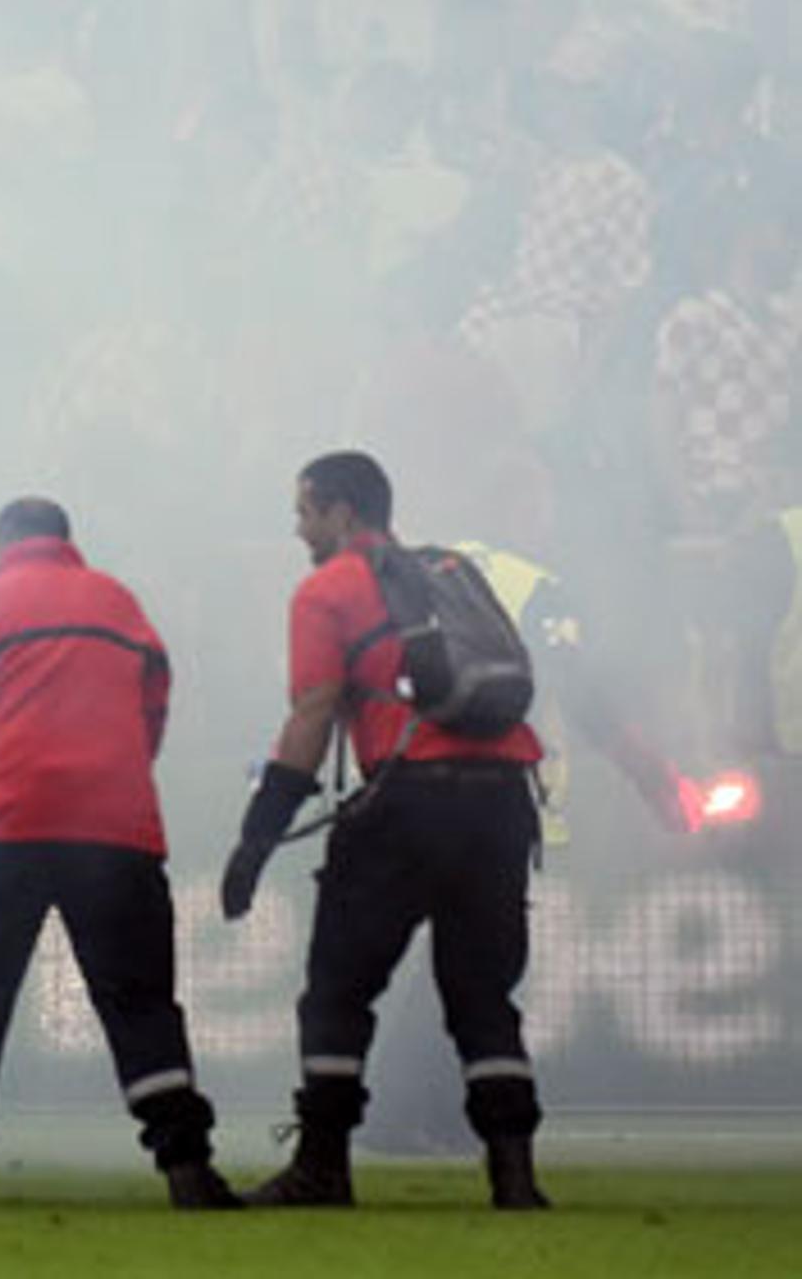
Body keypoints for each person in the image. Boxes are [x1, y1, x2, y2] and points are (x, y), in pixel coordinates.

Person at [219, 450, 552, 1211]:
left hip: (405, 806)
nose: (298, 528)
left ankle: (322, 1168)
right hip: (503, 801)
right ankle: (514, 1177)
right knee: (482, 997)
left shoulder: (326, 590)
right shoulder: (453, 572)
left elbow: (310, 721)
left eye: (305, 511)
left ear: (342, 513)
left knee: (337, 992)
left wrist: (256, 839)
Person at [0, 497, 236, 1208]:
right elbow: (152, 712)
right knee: (143, 1004)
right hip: (116, 832)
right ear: (66, 541)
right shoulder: (119, 602)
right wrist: (110, 784)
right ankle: (187, 1169)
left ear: (1, 542)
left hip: (13, 828)